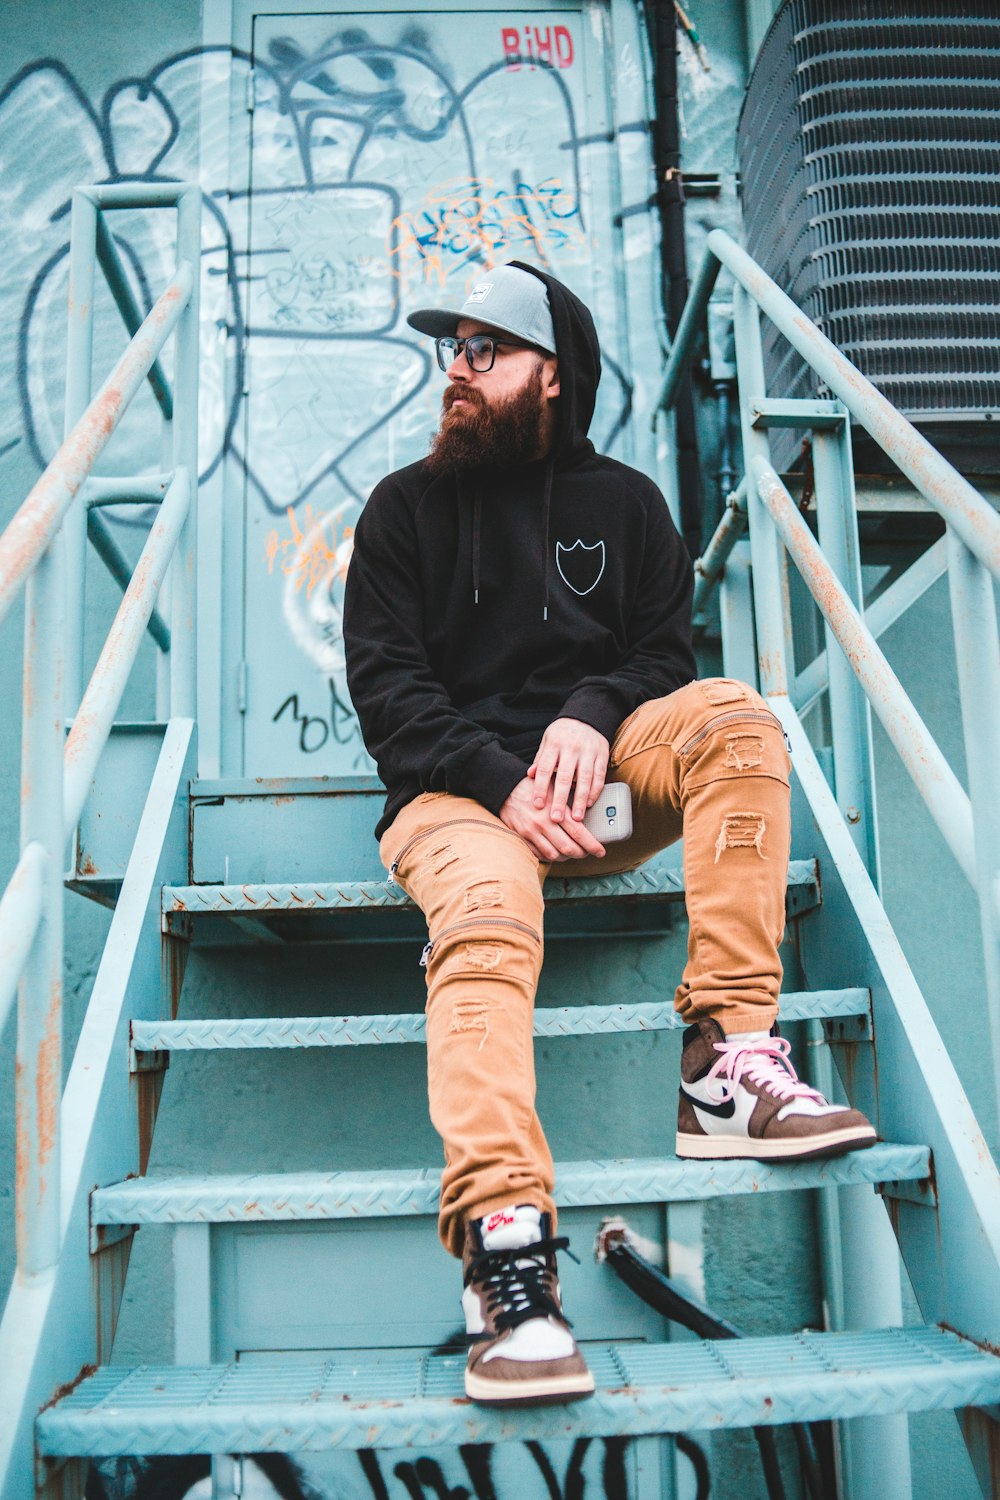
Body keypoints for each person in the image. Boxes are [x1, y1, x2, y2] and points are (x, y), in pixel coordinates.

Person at [342, 262, 875, 1408]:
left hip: (603, 794)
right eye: (452, 349)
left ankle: (725, 1064)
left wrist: (591, 714)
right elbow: (388, 696)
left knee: (736, 717)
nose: (456, 370)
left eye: (485, 351)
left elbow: (660, 659)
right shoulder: (401, 510)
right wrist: (497, 782)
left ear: (552, 373)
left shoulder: (627, 504)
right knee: (486, 919)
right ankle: (506, 1254)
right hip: (452, 800)